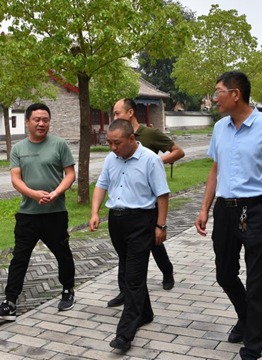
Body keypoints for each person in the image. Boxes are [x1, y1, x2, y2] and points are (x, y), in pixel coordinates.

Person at [194, 71, 262, 360]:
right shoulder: (220, 128)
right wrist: (204, 208)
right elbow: (215, 169)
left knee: (256, 281)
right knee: (224, 274)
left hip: (256, 211)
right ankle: (246, 316)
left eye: (218, 92)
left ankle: (253, 344)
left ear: (235, 94)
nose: (214, 98)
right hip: (224, 211)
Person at [0, 103, 76, 321]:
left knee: (62, 253)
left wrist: (56, 192)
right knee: (19, 257)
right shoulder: (18, 149)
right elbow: (15, 179)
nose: (41, 123)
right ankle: (10, 302)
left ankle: (67, 290)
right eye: (37, 119)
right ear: (27, 122)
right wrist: (34, 194)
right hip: (27, 214)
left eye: (45, 119)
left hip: (55, 212)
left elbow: (70, 174)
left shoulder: (60, 144)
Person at [89, 119, 170, 352]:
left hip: (141, 222)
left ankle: (125, 334)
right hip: (116, 221)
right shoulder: (110, 159)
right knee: (129, 267)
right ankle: (145, 312)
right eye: (109, 143)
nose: (113, 147)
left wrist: (160, 226)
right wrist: (95, 212)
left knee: (132, 278)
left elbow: (162, 195)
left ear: (132, 139)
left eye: (117, 143)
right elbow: (101, 185)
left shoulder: (151, 160)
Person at [107, 98, 184, 308]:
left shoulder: (149, 135)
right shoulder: (118, 138)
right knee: (128, 254)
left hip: (150, 203)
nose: (114, 117)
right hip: (129, 204)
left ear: (130, 112)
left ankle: (166, 271)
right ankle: (126, 291)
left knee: (155, 244)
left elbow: (178, 151)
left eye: (116, 113)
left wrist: (157, 163)